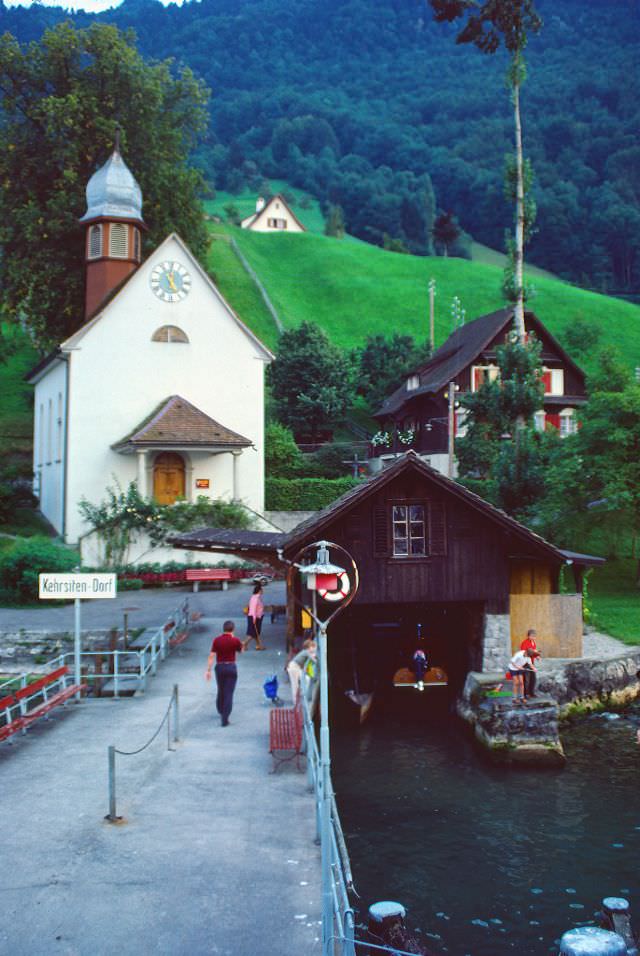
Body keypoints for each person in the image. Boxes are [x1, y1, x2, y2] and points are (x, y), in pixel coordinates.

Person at [205, 619, 244, 726]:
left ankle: (220, 709)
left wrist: (208, 670)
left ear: (223, 629)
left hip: (220, 667)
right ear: (233, 629)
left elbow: (211, 656)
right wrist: (242, 645)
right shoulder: (235, 640)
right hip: (231, 667)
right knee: (229, 693)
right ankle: (225, 717)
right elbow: (241, 651)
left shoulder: (216, 640)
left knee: (221, 689)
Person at [286, 638, 317, 703]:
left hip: (297, 667)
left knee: (306, 678)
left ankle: (303, 694)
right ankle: (295, 701)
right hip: (293, 667)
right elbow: (313, 660)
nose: (314, 648)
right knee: (295, 684)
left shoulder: (306, 652)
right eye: (312, 647)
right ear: (308, 647)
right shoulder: (306, 652)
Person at [520, 628, 541, 698]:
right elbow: (524, 653)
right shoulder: (524, 643)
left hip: (531, 663)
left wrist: (537, 656)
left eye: (534, 636)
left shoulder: (533, 642)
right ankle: (526, 694)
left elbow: (533, 652)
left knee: (533, 678)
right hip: (525, 663)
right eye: (531, 636)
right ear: (528, 636)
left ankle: (532, 693)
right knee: (526, 679)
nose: (533, 637)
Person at [244, 583, 265, 650]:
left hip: (256, 617)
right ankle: (243, 644)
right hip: (255, 617)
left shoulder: (255, 597)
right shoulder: (255, 598)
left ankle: (258, 645)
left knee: (256, 633)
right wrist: (254, 619)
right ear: (259, 590)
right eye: (262, 590)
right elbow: (253, 609)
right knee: (253, 633)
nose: (263, 591)